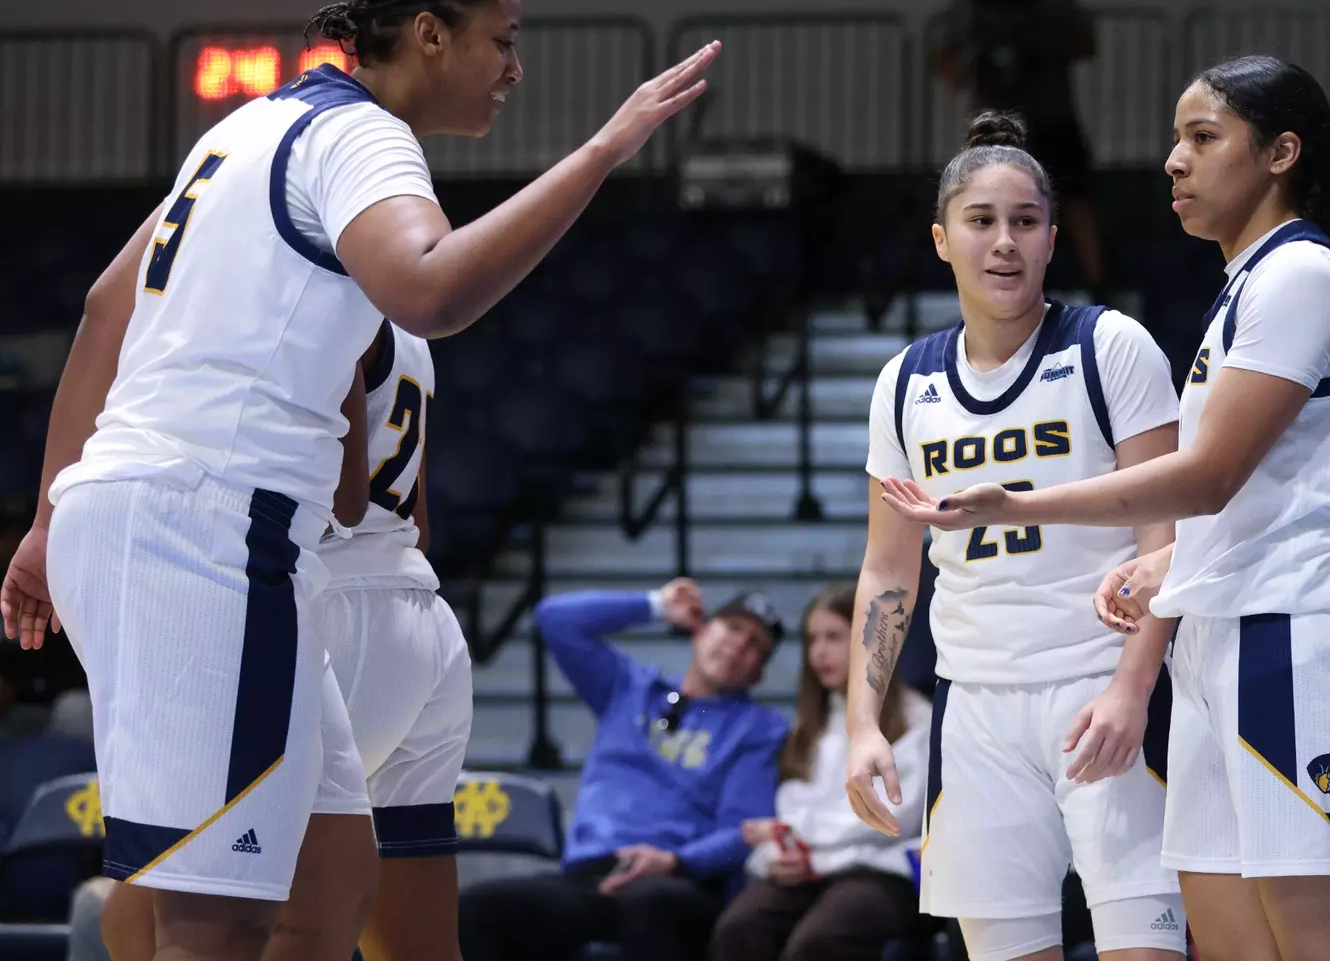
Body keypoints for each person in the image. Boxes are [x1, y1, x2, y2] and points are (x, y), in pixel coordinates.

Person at [0, 0, 718, 961]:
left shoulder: (247, 127)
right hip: (205, 528)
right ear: (428, 34)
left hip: (162, 513)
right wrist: (602, 151)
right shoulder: (365, 139)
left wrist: (46, 516)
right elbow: (432, 287)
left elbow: (106, 303)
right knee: (215, 919)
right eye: (500, 40)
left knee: (332, 869)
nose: (516, 68)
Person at [879, 56, 1330, 961]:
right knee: (1228, 940)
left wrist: (1016, 501)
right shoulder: (1247, 283)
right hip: (1215, 634)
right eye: (1176, 139)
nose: (1172, 162)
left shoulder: (1299, 275)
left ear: (1279, 154)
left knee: (1329, 947)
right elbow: (1241, 492)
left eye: (1201, 137)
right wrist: (1167, 564)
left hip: (1297, 636)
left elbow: (1208, 476)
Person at [846, 110, 1187, 961]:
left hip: (1102, 684)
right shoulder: (904, 382)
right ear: (940, 238)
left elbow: (1171, 539)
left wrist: (1133, 691)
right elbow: (888, 571)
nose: (1004, 243)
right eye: (982, 221)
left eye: (1025, 223)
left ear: (1050, 237)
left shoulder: (1111, 346)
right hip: (974, 705)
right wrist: (863, 723)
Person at [97, 320, 469, 961]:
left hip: (324, 614)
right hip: (420, 621)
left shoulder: (313, 285)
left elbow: (343, 499)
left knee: (156, 915)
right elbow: (416, 521)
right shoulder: (406, 322)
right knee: (419, 946)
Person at [458, 579, 791, 961]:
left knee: (648, 904)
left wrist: (676, 862)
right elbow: (554, 620)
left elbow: (743, 832)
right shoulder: (629, 688)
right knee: (479, 908)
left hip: (676, 882)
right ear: (700, 631)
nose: (738, 646)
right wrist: (654, 606)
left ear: (758, 675)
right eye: (733, 628)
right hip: (591, 877)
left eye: (755, 647)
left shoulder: (759, 730)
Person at [711, 584, 929, 961]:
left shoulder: (914, 719)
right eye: (812, 639)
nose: (819, 652)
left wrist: (802, 843)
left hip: (879, 870)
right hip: (808, 866)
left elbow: (893, 817)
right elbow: (793, 809)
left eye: (833, 637)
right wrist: (777, 850)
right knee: (739, 929)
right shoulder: (809, 723)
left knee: (817, 944)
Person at [932, 0, 1106, 301]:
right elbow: (944, 53)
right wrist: (968, 66)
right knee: (985, 200)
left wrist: (1042, 43)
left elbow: (1085, 42)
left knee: (1075, 197)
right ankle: (984, 287)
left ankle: (1098, 284)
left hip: (1051, 113)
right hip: (994, 124)